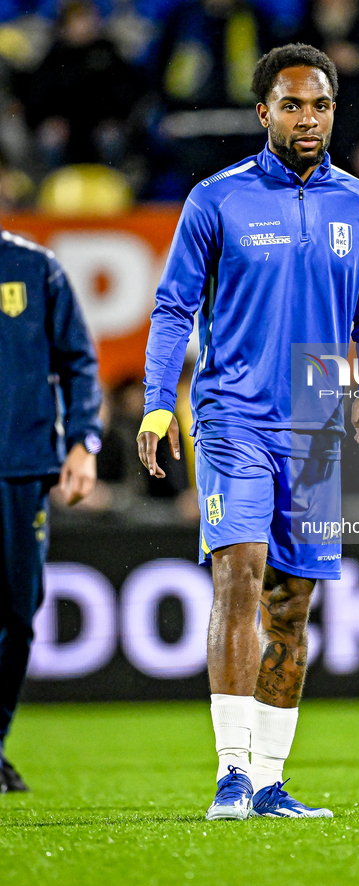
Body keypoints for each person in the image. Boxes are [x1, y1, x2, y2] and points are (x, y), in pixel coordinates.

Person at [137, 43, 359, 820]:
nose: (306, 118)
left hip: (314, 430)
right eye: (291, 105)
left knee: (292, 606)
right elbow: (173, 308)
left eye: (318, 105)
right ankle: (231, 776)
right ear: (263, 113)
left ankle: (271, 781)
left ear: (332, 113)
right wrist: (158, 401)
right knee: (239, 573)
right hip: (232, 418)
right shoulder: (215, 200)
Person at [0, 226, 102, 792]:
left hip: (19, 466)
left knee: (16, 615)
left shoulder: (35, 268)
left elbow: (79, 363)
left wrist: (84, 443)